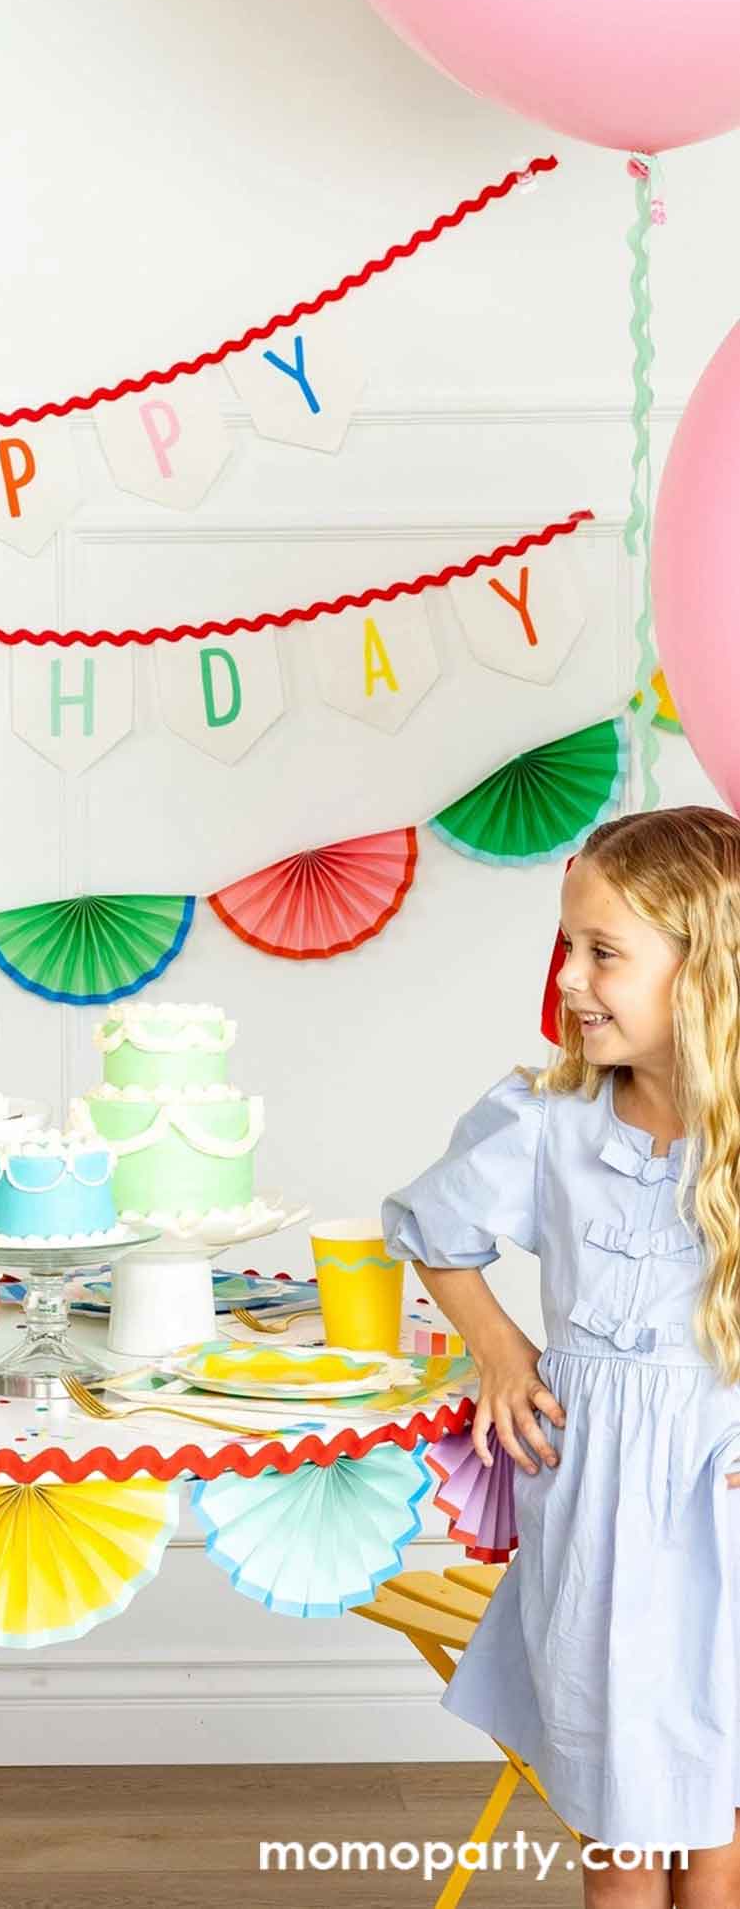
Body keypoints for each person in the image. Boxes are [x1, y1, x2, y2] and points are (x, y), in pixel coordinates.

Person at [381, 806, 740, 1907]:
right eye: (566, 946)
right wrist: (497, 1347)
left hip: (722, 1495)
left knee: (714, 1790)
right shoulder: (548, 1119)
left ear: (704, 966)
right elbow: (430, 1229)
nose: (571, 980)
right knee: (616, 1805)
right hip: (596, 1503)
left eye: (603, 952)